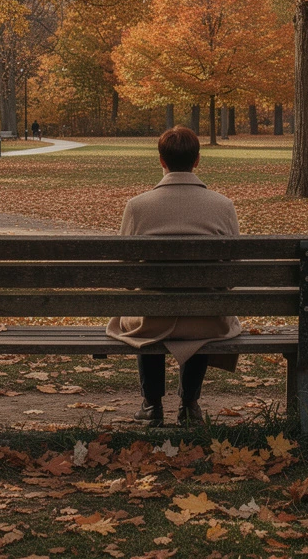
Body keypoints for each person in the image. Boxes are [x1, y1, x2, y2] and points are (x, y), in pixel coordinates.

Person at [106, 125, 241, 426]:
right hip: (207, 321)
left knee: (148, 306)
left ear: (161, 161)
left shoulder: (137, 207)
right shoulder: (223, 206)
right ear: (197, 161)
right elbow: (231, 276)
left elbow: (126, 277)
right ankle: (190, 404)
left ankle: (151, 404)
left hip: (151, 319)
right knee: (200, 307)